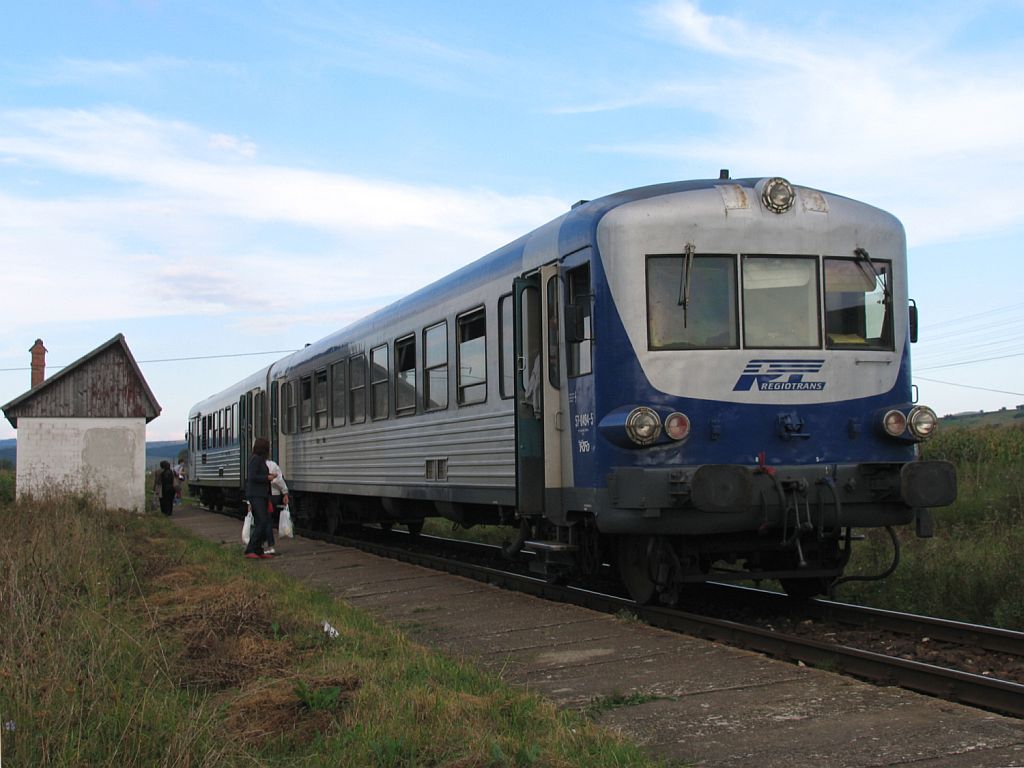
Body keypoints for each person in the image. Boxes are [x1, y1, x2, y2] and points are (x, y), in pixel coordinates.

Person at [244, 438, 277, 559]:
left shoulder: (260, 460)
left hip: (262, 495)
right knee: (262, 521)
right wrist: (267, 478)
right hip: (256, 495)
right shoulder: (255, 459)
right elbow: (252, 477)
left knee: (264, 521)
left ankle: (258, 550)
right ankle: (250, 549)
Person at [265, 457, 289, 555]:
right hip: (274, 496)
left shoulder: (257, 465)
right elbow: (278, 479)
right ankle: (269, 544)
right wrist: (285, 492)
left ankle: (267, 544)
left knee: (265, 521)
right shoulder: (272, 464)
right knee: (268, 520)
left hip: (264, 496)